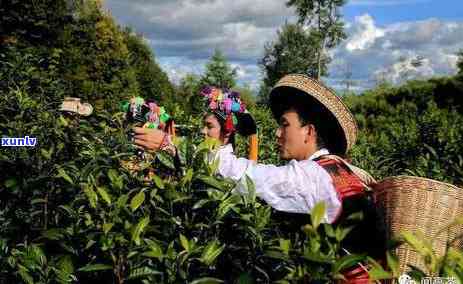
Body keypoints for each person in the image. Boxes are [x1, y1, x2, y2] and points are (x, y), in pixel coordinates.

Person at [133, 74, 385, 283]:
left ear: (309, 131)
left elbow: (248, 178)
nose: (277, 133)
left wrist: (174, 146)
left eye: (285, 125)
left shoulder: (313, 177)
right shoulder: (336, 169)